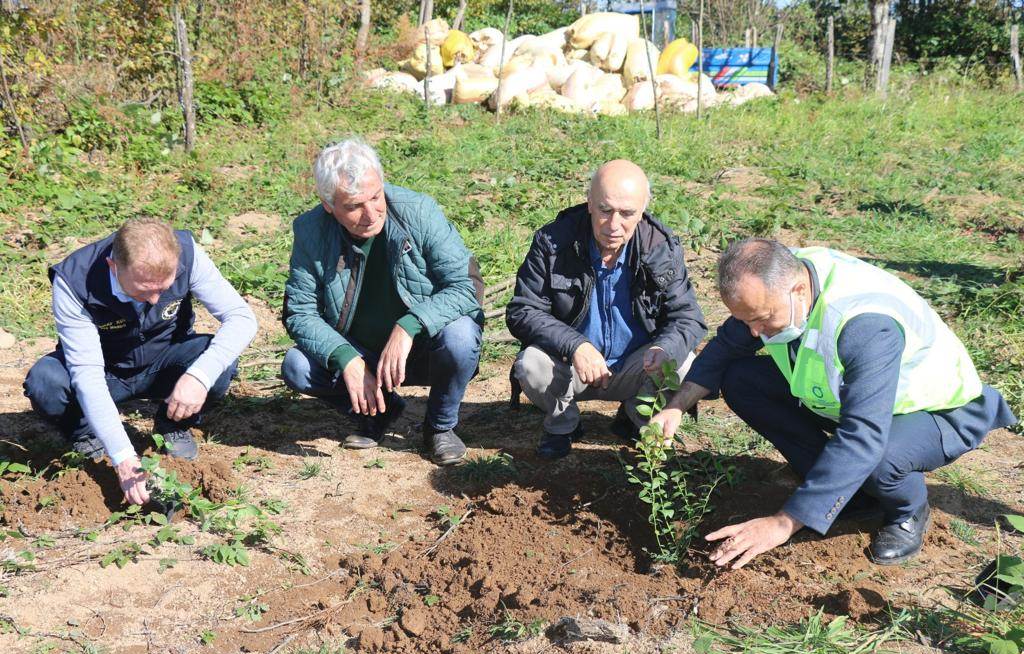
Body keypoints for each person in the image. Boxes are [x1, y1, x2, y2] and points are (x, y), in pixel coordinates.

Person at [650, 238, 1017, 567]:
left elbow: (863, 436)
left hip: (936, 409)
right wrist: (675, 406)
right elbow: (728, 346)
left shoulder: (864, 325)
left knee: (880, 460)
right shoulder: (781, 282)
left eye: (761, 319)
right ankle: (848, 498)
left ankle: (907, 510)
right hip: (850, 396)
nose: (754, 333)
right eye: (746, 319)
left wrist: (784, 522)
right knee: (742, 379)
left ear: (797, 290)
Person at [24, 217, 258, 505]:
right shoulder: (74, 281)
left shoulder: (189, 254)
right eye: (143, 289)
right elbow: (88, 375)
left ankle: (172, 424)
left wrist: (199, 376)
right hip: (107, 373)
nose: (154, 299)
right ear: (114, 266)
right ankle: (87, 434)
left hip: (164, 361)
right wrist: (123, 458)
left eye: (164, 288)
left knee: (217, 359)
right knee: (46, 380)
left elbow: (242, 318)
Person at [281, 137, 483, 466]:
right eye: (354, 206)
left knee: (461, 335)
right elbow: (299, 312)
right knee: (297, 366)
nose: (371, 213)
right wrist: (346, 357)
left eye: (376, 197)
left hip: (423, 349)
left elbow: (466, 287)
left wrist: (409, 325)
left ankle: (440, 427)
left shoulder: (419, 211)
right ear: (329, 204)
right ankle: (379, 409)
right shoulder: (311, 231)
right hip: (364, 352)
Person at [506, 159, 706, 460]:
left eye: (627, 214)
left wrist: (664, 348)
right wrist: (575, 344)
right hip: (571, 366)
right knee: (531, 365)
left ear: (642, 211)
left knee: (682, 361)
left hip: (636, 367)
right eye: (605, 210)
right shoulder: (553, 242)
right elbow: (522, 310)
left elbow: (688, 318)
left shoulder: (660, 247)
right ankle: (563, 425)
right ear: (589, 203)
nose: (614, 225)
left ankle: (639, 419)